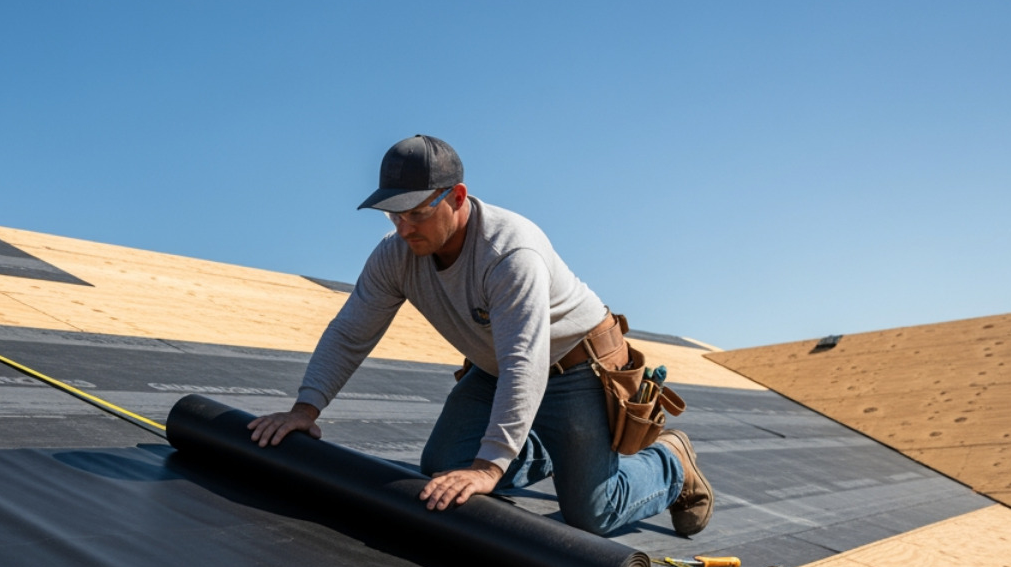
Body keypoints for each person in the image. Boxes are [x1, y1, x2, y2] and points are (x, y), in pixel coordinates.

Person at [247, 134, 713, 537]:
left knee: (592, 512)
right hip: (499, 369)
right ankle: (550, 444)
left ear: (456, 197)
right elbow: (351, 332)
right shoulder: (396, 255)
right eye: (392, 215)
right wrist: (304, 409)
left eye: (416, 213)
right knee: (443, 467)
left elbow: (525, 361)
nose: (404, 228)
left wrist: (490, 466)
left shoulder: (509, 252)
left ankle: (672, 463)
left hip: (575, 368)